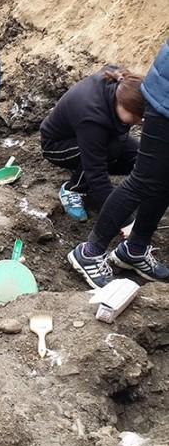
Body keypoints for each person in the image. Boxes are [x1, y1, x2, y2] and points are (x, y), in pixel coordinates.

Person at [68, 40, 169, 288]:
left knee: (164, 176)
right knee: (144, 179)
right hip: (166, 98)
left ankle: (134, 249)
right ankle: (90, 252)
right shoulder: (92, 116)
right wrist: (126, 220)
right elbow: (96, 173)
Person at [40, 65, 144, 222]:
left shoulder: (120, 82)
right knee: (109, 150)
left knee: (140, 156)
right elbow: (96, 173)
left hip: (89, 135)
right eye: (137, 116)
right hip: (57, 146)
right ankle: (71, 190)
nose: (140, 120)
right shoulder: (92, 119)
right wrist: (123, 218)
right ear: (123, 104)